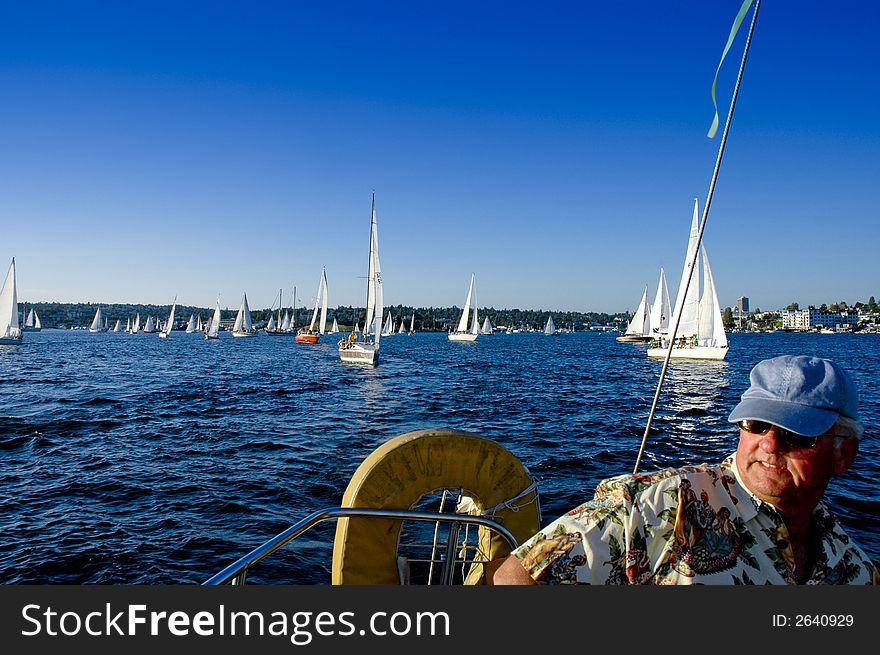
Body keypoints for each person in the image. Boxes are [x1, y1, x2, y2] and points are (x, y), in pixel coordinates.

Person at [494, 355, 879, 585]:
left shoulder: (853, 567)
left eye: (798, 433)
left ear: (844, 454)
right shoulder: (663, 504)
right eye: (756, 425)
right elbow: (517, 577)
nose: (770, 443)